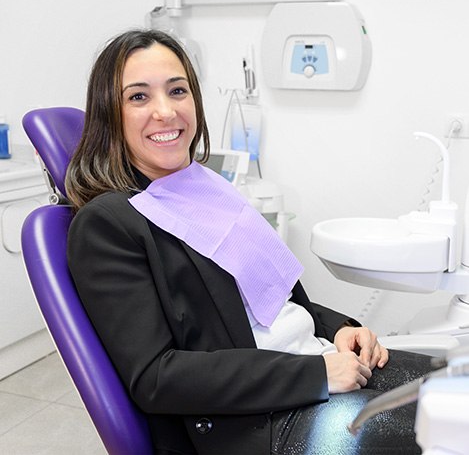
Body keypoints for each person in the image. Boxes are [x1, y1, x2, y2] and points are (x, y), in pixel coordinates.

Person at [65, 29, 434, 455]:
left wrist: (342, 331)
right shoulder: (109, 223)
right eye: (138, 97)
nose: (165, 111)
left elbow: (275, 302)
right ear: (109, 114)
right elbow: (157, 376)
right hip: (262, 421)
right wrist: (316, 375)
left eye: (177, 90)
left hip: (314, 362)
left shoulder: (204, 188)